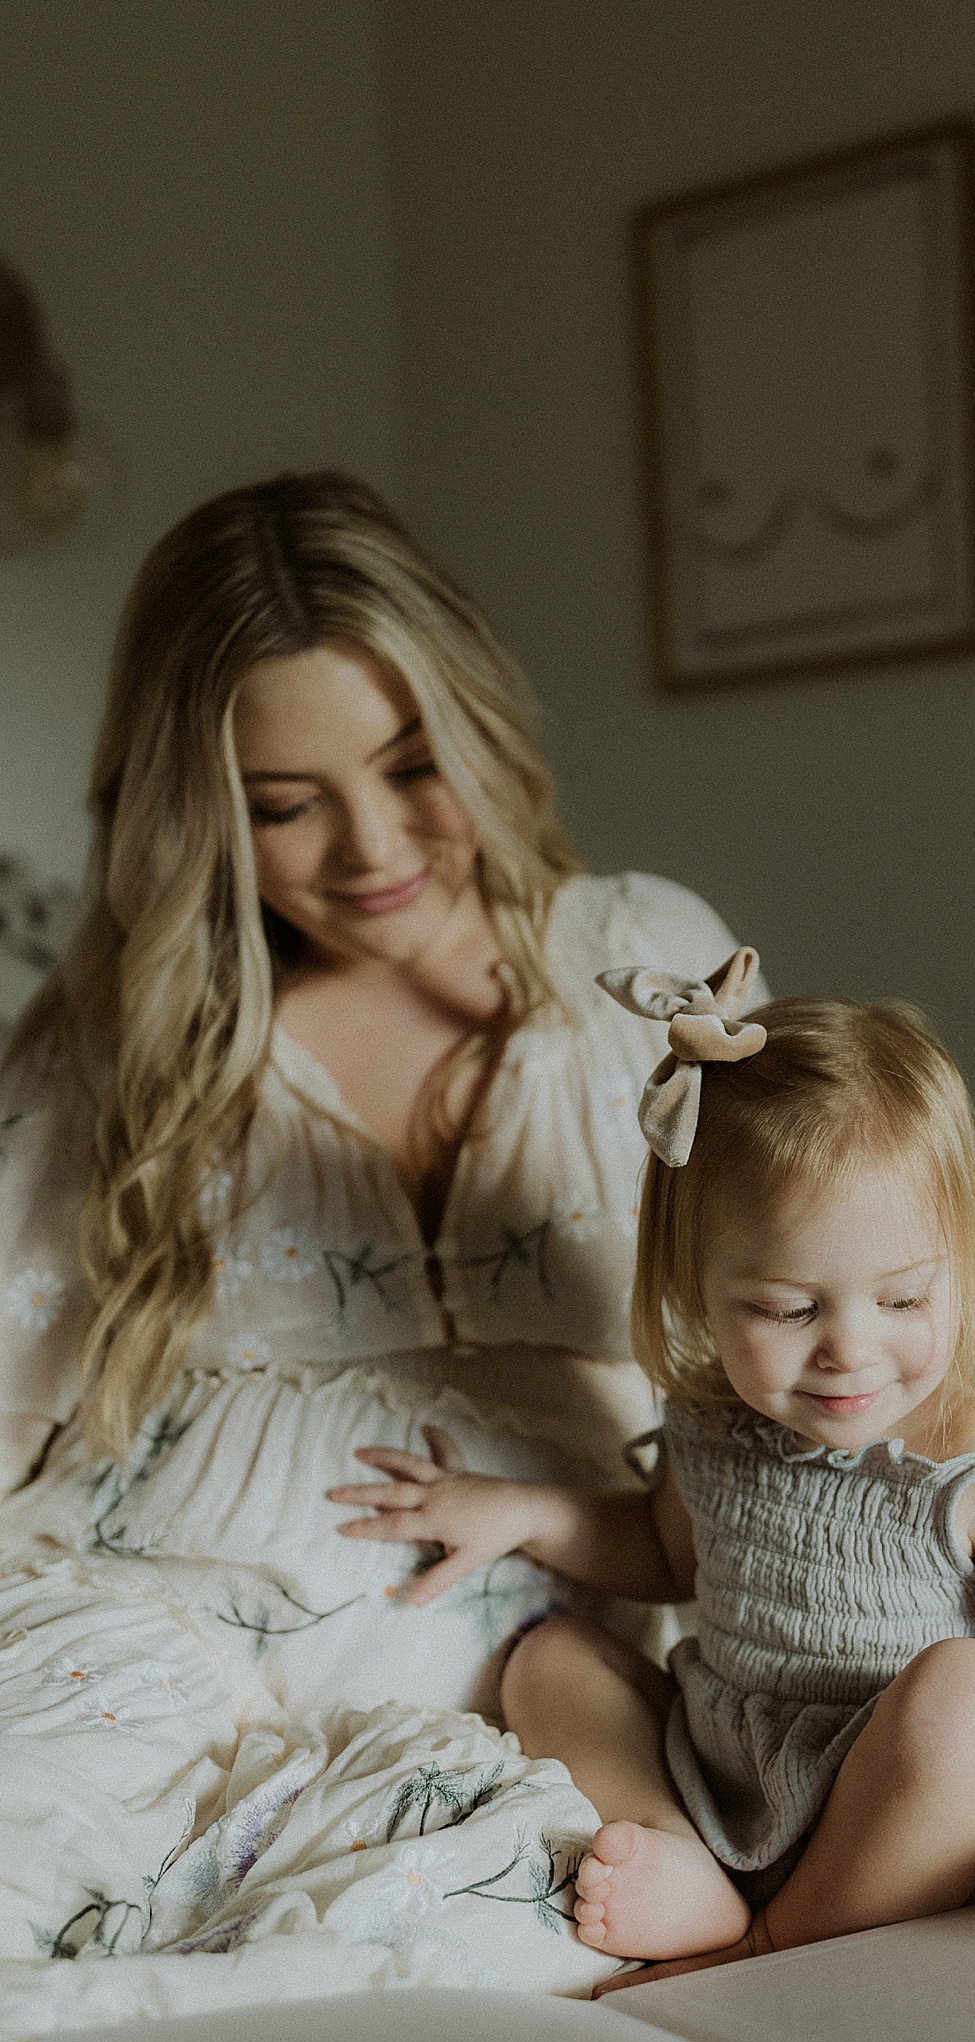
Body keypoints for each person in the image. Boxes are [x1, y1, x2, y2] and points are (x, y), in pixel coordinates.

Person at [332, 960, 975, 1979]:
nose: (849, 1350)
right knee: (552, 1659)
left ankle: (767, 1943)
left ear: (960, 1267)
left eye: (901, 1301)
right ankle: (690, 1861)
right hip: (746, 1790)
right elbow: (665, 1553)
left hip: (944, 1822)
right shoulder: (714, 1425)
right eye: (786, 1309)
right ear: (696, 1295)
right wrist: (525, 1513)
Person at [0, 471, 751, 1716]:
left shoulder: (653, 975)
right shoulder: (120, 1035)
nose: (374, 850)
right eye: (285, 805)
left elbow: (850, 1302)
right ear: (198, 814)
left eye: (413, 769)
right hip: (142, 1628)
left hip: (533, 1661)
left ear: (482, 730)